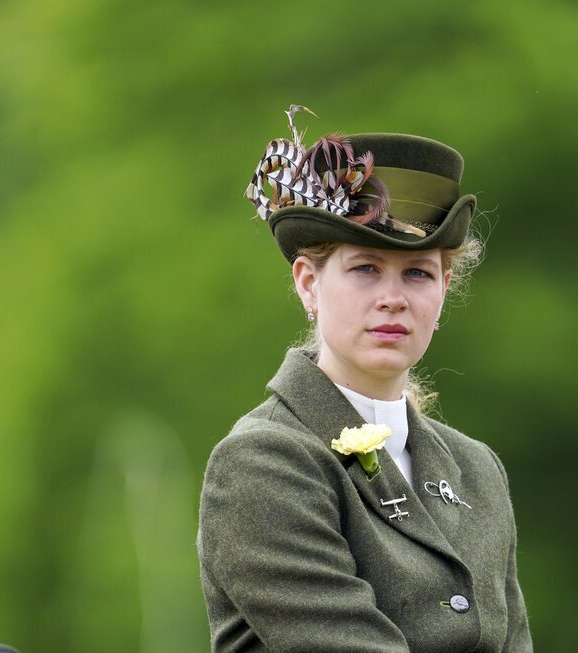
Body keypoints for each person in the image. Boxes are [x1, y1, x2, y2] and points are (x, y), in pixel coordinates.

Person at [198, 106, 533, 652]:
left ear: (444, 291)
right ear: (309, 284)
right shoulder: (263, 462)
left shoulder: (476, 470)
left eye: (419, 273)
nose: (393, 298)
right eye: (365, 268)